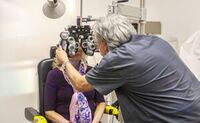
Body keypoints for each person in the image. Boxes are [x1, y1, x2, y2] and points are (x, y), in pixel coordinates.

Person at [56, 14, 200, 123]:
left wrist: (64, 60)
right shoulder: (155, 41)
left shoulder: (119, 58)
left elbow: (80, 84)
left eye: (99, 44)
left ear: (104, 44)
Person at [44, 45, 105, 123]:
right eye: (73, 44)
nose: (77, 48)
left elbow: (100, 102)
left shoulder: (91, 72)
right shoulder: (54, 75)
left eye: (79, 45)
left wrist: (95, 122)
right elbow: (49, 112)